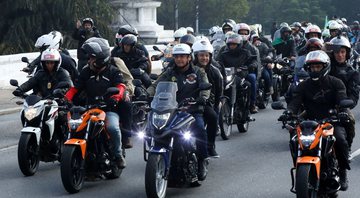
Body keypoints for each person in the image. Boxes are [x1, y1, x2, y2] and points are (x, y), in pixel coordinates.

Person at [286, 50, 351, 191]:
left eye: (318, 67)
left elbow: (342, 100)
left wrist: (343, 112)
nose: (315, 69)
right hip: (309, 122)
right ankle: (299, 167)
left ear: (325, 67)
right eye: (312, 67)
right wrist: (288, 112)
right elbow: (295, 102)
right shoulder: (303, 86)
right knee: (294, 139)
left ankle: (342, 171)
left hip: (331, 121)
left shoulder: (336, 83)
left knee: (339, 139)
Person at [147, 43, 210, 181]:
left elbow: (205, 87)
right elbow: (156, 85)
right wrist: (146, 94)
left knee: (200, 129)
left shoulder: (198, 71)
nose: (179, 59)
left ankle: (202, 160)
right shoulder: (170, 72)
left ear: (189, 58)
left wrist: (203, 98)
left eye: (183, 57)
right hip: (172, 110)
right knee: (152, 129)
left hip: (192, 110)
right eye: (177, 57)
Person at [64, 38, 127, 169]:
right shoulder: (86, 71)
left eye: (92, 58)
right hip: (88, 108)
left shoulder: (113, 71)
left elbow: (121, 86)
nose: (89, 60)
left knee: (113, 128)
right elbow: (75, 88)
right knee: (73, 126)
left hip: (108, 109)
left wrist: (115, 97)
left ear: (100, 59)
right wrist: (66, 98)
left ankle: (118, 155)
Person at [327, 36, 360, 154]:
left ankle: (346, 150)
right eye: (337, 52)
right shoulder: (325, 68)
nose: (340, 55)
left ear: (347, 53)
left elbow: (354, 95)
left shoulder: (353, 72)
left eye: (342, 52)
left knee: (349, 121)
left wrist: (345, 104)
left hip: (341, 107)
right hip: (321, 104)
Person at [192, 39, 223, 158]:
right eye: (201, 55)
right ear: (195, 56)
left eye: (206, 56)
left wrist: (216, 104)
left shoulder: (215, 71)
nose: (204, 58)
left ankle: (210, 146)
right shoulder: (189, 68)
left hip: (206, 102)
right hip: (187, 101)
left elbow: (219, 89)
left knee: (213, 117)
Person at [217, 34, 258, 114]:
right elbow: (218, 63)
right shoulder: (223, 54)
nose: (232, 46)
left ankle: (252, 104)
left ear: (239, 45)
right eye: (230, 44)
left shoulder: (245, 52)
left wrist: (252, 65)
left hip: (242, 75)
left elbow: (253, 61)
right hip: (228, 76)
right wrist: (217, 67)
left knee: (250, 81)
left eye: (234, 44)